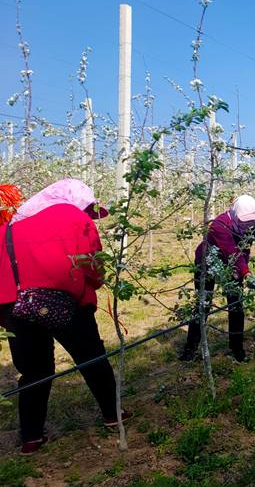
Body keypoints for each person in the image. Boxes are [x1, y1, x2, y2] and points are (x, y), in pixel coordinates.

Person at [0, 179, 128, 454]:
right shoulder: (73, 216)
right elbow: (93, 265)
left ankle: (31, 438)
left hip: (16, 308)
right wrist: (95, 283)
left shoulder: (10, 227)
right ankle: (112, 414)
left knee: (34, 371)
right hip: (64, 301)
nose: (90, 216)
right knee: (92, 357)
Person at [180, 195, 255, 363]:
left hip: (235, 266)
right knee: (203, 303)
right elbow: (232, 253)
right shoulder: (220, 224)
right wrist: (247, 274)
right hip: (208, 263)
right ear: (234, 214)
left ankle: (237, 349)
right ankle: (190, 348)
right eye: (244, 221)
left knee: (236, 305)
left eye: (251, 222)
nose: (248, 225)